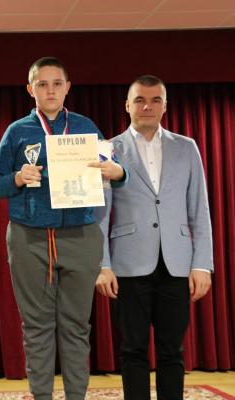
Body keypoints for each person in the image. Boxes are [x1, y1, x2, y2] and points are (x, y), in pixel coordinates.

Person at [0, 57, 127, 400]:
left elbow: (113, 172)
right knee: (37, 327)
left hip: (80, 236)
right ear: (30, 89)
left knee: (76, 326)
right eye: (42, 84)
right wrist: (17, 178)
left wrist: (118, 172)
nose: (50, 91)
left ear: (67, 88)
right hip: (29, 238)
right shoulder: (17, 131)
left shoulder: (85, 127)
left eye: (57, 84)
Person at [95, 75, 212, 400]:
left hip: (177, 264)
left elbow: (199, 209)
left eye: (155, 100)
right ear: (127, 105)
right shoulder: (108, 150)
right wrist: (103, 264)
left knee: (172, 350)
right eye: (140, 100)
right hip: (128, 264)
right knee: (132, 349)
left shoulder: (186, 147)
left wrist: (202, 265)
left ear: (165, 106)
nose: (147, 106)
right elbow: (100, 213)